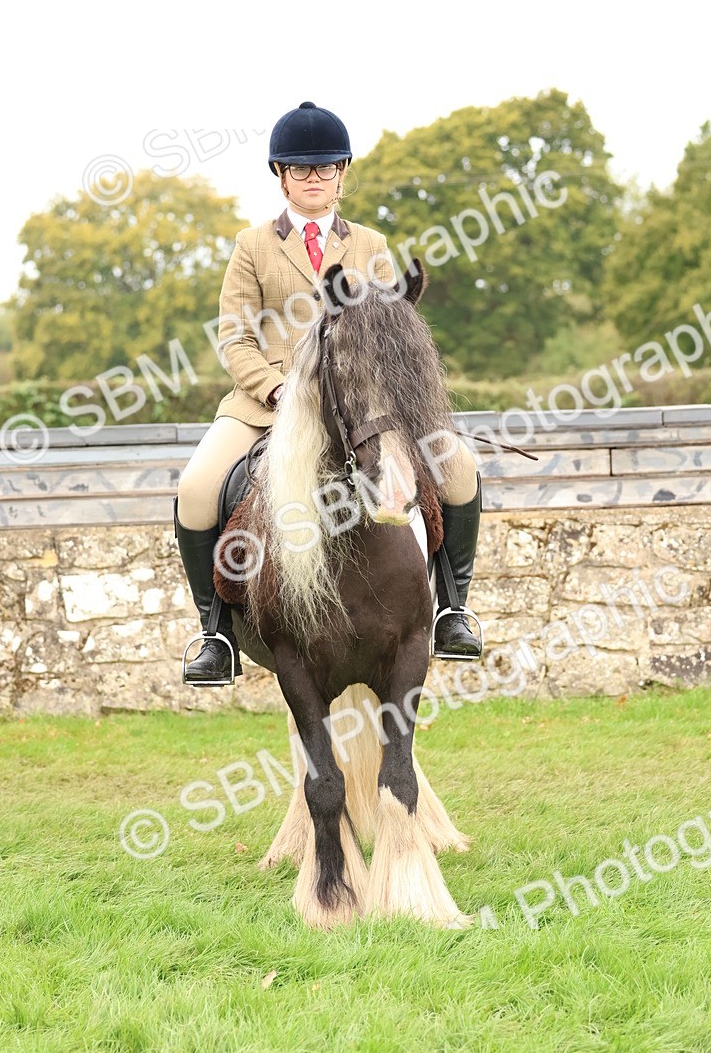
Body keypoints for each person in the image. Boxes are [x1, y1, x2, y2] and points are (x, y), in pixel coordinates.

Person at [172, 101, 482, 685]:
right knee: (195, 489)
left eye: (325, 168)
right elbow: (235, 336)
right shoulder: (253, 245)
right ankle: (215, 634)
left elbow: (391, 330)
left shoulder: (370, 243)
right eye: (299, 168)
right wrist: (277, 390)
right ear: (281, 175)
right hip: (268, 408)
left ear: (342, 173)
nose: (313, 178)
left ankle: (452, 610)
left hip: (360, 409)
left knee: (460, 468)